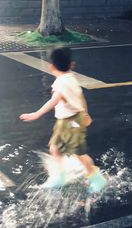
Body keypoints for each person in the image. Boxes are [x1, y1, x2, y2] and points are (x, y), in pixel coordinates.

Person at [19, 47, 106, 192]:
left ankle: (97, 179)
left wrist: (36, 114)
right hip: (66, 120)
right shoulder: (71, 78)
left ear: (52, 66)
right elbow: (80, 97)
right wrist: (86, 113)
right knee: (55, 147)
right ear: (71, 64)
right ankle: (60, 176)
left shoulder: (60, 83)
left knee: (78, 153)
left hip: (71, 121)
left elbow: (53, 100)